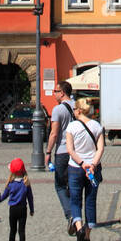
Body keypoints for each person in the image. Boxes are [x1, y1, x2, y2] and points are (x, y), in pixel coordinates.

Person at [66, 99, 105, 241]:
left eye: (75, 109)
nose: (74, 111)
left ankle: (79, 227)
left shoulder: (72, 126)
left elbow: (70, 150)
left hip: (76, 167)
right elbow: (100, 149)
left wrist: (82, 163)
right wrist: (93, 165)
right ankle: (87, 236)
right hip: (93, 170)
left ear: (79, 110)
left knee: (75, 200)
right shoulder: (97, 126)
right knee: (90, 200)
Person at [46, 80, 77, 230]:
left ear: (62, 93)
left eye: (56, 91)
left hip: (62, 151)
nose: (54, 94)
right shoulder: (77, 107)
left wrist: (48, 152)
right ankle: (77, 214)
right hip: (76, 152)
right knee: (73, 184)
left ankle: (70, 214)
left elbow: (54, 133)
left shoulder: (58, 110)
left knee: (59, 185)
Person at [0, 158, 34, 241]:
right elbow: (30, 198)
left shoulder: (11, 184)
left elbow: (3, 196)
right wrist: (32, 209)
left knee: (12, 229)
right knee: (22, 230)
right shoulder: (26, 184)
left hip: (13, 209)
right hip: (23, 209)